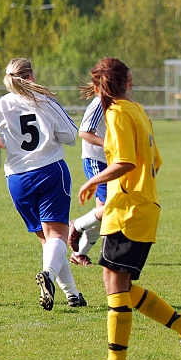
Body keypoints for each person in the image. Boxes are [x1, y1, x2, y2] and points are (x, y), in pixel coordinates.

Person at [76, 57, 181, 360]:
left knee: (116, 285)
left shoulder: (118, 112)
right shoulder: (137, 111)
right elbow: (155, 163)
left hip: (129, 209)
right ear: (128, 80)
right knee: (116, 283)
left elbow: (125, 162)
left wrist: (94, 181)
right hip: (137, 204)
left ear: (98, 86)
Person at [0, 58, 86, 310]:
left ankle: (73, 295)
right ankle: (48, 275)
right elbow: (70, 136)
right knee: (57, 235)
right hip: (50, 171)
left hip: (17, 179)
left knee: (48, 240)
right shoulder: (45, 101)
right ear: (31, 76)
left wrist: (1, 142)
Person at [68, 93, 106, 265]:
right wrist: (110, 143)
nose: (131, 84)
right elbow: (84, 131)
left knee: (105, 214)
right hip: (97, 161)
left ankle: (79, 254)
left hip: (112, 161)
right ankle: (76, 225)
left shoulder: (121, 101)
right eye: (127, 80)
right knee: (110, 208)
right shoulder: (100, 102)